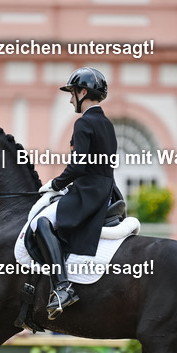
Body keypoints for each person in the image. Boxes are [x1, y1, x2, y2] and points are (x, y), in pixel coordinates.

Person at [32, 66, 122, 319]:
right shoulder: (106, 123)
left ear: (83, 92)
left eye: (72, 93)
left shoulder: (83, 123)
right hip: (106, 190)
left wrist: (56, 184)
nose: (71, 98)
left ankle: (62, 287)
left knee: (42, 223)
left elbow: (79, 164)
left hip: (88, 191)